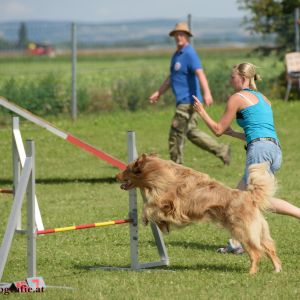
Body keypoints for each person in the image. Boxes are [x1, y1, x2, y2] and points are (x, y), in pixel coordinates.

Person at [193, 62, 300, 254]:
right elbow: (255, 131)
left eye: (232, 77)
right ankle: (236, 243)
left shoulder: (237, 98)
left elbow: (217, 130)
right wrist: (233, 133)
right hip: (273, 149)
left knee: (255, 199)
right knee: (238, 197)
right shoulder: (264, 99)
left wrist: (201, 112)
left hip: (259, 150)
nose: (229, 80)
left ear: (242, 79)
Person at [149, 22, 231, 165]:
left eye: (182, 34)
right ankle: (222, 150)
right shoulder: (176, 55)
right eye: (176, 34)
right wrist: (159, 92)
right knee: (191, 132)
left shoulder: (189, 53)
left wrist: (207, 93)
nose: (179, 37)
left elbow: (200, 73)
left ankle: (176, 170)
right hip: (184, 101)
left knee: (175, 135)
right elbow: (171, 78)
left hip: (188, 101)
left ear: (187, 37)